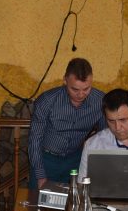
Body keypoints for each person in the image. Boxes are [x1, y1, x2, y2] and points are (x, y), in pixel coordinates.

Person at [28, 58, 106, 189]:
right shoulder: (47, 100)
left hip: (76, 160)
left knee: (74, 200)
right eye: (75, 89)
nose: (81, 94)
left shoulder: (101, 101)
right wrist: (40, 175)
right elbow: (35, 139)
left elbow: (104, 137)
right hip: (46, 160)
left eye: (86, 89)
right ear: (65, 80)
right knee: (38, 200)